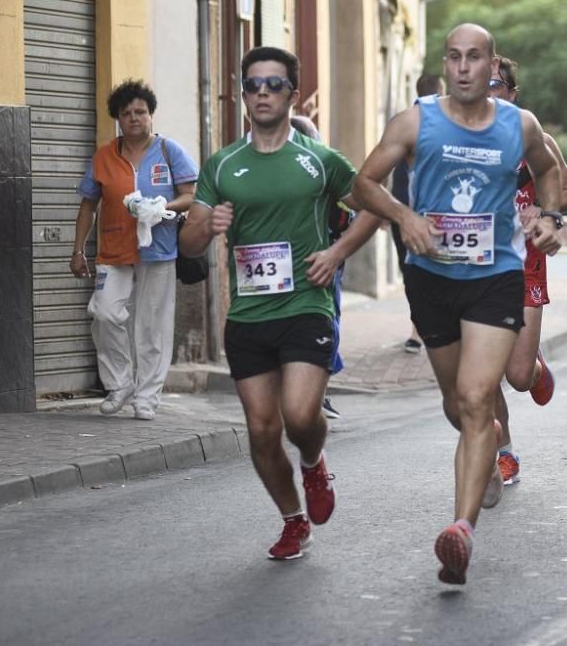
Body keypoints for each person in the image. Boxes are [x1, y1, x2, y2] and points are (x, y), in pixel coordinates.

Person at [352, 23, 563, 584]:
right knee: (456, 404)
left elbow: (549, 173)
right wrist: (404, 216)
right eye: (454, 57)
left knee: (476, 398)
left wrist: (549, 218)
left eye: (475, 58)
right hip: (432, 279)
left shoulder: (520, 125)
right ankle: (487, 450)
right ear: (445, 64)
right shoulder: (417, 120)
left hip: (496, 275)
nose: (465, 67)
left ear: (492, 65)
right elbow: (363, 184)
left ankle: (460, 530)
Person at [180, 47, 359, 561]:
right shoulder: (223, 165)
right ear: (243, 94)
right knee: (261, 430)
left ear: (292, 94)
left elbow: (371, 205)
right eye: (253, 84)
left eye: (273, 85)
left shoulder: (319, 161)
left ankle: (314, 461)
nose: (262, 92)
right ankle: (292, 520)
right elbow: (190, 247)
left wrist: (337, 251)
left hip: (306, 304)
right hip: (249, 314)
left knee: (300, 417)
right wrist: (204, 227)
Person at [70, 79, 198, 420]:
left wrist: (163, 206)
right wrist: (78, 249)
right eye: (126, 113)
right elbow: (88, 205)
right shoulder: (104, 157)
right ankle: (120, 383)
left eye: (140, 111)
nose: (134, 118)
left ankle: (147, 397)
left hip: (158, 248)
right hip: (113, 248)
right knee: (105, 313)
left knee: (152, 325)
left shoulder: (170, 151)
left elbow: (190, 195)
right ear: (118, 119)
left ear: (151, 114)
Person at [487, 54, 567, 486]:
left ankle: (537, 367)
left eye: (497, 86)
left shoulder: (534, 138)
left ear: (512, 93)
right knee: (485, 375)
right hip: (480, 269)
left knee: (518, 376)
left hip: (526, 265)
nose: (490, 94)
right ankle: (503, 451)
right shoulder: (460, 140)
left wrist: (544, 214)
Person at [289, 115, 381, 422]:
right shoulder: (317, 169)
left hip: (322, 262)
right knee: (321, 323)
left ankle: (313, 393)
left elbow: (359, 209)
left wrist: (337, 251)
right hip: (315, 263)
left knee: (321, 323)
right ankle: (312, 393)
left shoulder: (326, 170)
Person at [391, 74, 447, 354]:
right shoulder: (448, 120)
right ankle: (425, 329)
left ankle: (420, 330)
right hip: (431, 213)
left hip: (402, 210)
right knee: (437, 270)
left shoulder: (405, 119)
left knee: (412, 272)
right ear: (443, 90)